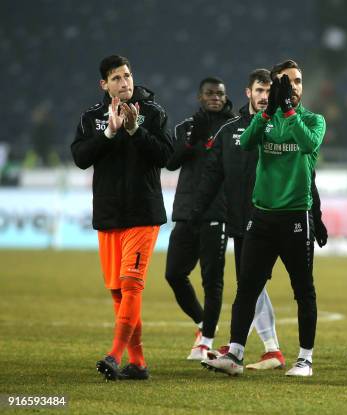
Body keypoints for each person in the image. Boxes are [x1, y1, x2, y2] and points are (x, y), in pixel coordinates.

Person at [195, 69, 327, 370]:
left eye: (297, 81)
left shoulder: (313, 120)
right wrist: (269, 113)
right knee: (247, 288)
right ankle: (236, 355)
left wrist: (289, 110)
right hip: (262, 217)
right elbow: (246, 142)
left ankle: (305, 359)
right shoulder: (263, 120)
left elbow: (308, 145)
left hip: (296, 217)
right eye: (285, 81)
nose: (292, 86)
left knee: (303, 290)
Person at [71, 55, 173, 381]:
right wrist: (110, 134)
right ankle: (138, 363)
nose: (124, 82)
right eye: (116, 78)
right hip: (109, 214)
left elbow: (167, 156)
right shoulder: (93, 118)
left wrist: (134, 130)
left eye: (127, 76)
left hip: (143, 213)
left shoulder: (152, 113)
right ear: (104, 84)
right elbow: (80, 158)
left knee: (131, 284)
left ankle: (114, 355)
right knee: (118, 291)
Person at [164, 77, 235, 360]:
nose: (215, 97)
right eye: (210, 93)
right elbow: (170, 163)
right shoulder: (185, 127)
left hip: (216, 213)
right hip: (185, 212)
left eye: (220, 93)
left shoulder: (233, 128)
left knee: (212, 281)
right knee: (174, 274)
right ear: (200, 97)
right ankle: (204, 321)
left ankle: (205, 341)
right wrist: (192, 140)